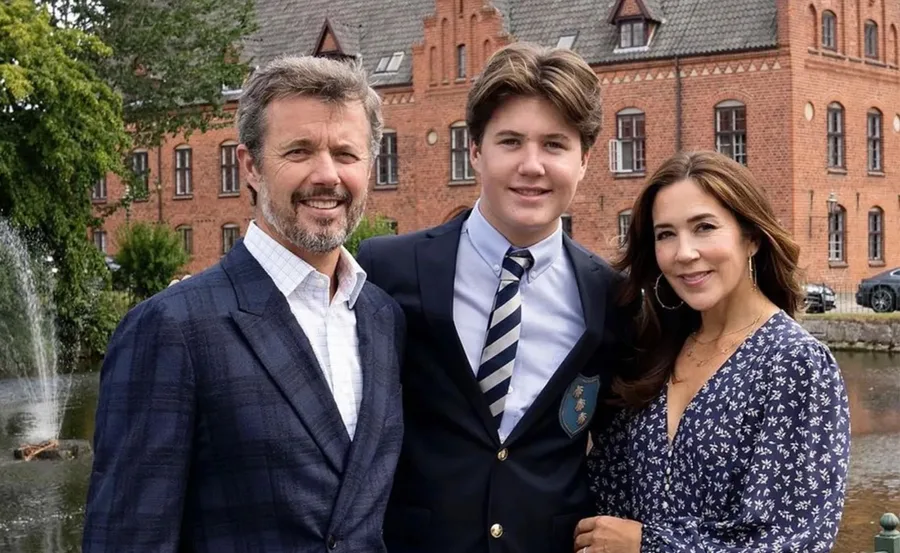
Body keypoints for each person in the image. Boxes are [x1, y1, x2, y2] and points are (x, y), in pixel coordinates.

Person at [82, 55, 406, 553]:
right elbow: (130, 538)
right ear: (250, 165)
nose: (327, 175)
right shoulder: (171, 329)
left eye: (346, 154)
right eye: (298, 151)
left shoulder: (382, 319)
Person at [356, 42, 632, 553]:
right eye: (510, 142)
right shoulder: (387, 268)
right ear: (477, 151)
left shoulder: (611, 296)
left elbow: (620, 448)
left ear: (585, 160)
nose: (532, 166)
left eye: (555, 145)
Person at [575, 151, 851, 552]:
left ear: (751, 237)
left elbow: (793, 541)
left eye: (704, 227)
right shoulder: (653, 350)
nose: (684, 252)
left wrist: (649, 545)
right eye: (665, 234)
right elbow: (604, 492)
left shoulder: (794, 363)